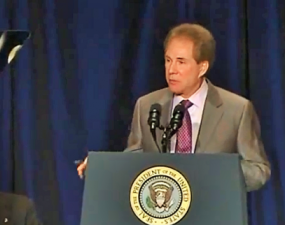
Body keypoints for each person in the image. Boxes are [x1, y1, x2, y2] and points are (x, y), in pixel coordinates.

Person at [77, 23, 270, 192]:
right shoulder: (147, 106)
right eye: (168, 60)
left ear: (202, 67)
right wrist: (102, 167)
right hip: (161, 217)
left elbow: (258, 171)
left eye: (181, 62)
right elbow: (134, 162)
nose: (171, 70)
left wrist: (214, 171)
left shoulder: (237, 109)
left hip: (212, 220)